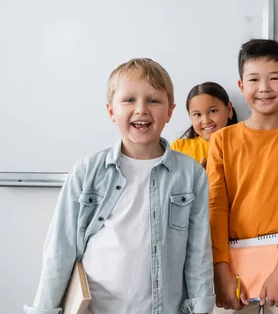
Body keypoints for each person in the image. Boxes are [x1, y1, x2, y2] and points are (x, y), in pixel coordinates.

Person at [24, 58, 215, 314]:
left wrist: (202, 308)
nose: (141, 109)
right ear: (111, 110)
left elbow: (198, 253)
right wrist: (44, 309)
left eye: (153, 100)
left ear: (170, 111)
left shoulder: (190, 174)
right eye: (128, 100)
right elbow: (61, 248)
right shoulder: (87, 171)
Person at [207, 39, 278, 313]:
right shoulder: (222, 140)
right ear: (242, 86)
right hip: (231, 266)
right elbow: (215, 206)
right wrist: (220, 268)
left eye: (274, 78)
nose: (265, 88)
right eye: (254, 79)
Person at [171, 82, 237, 167]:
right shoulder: (179, 149)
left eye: (212, 111)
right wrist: (197, 177)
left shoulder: (244, 145)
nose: (206, 121)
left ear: (229, 110)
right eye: (197, 114)